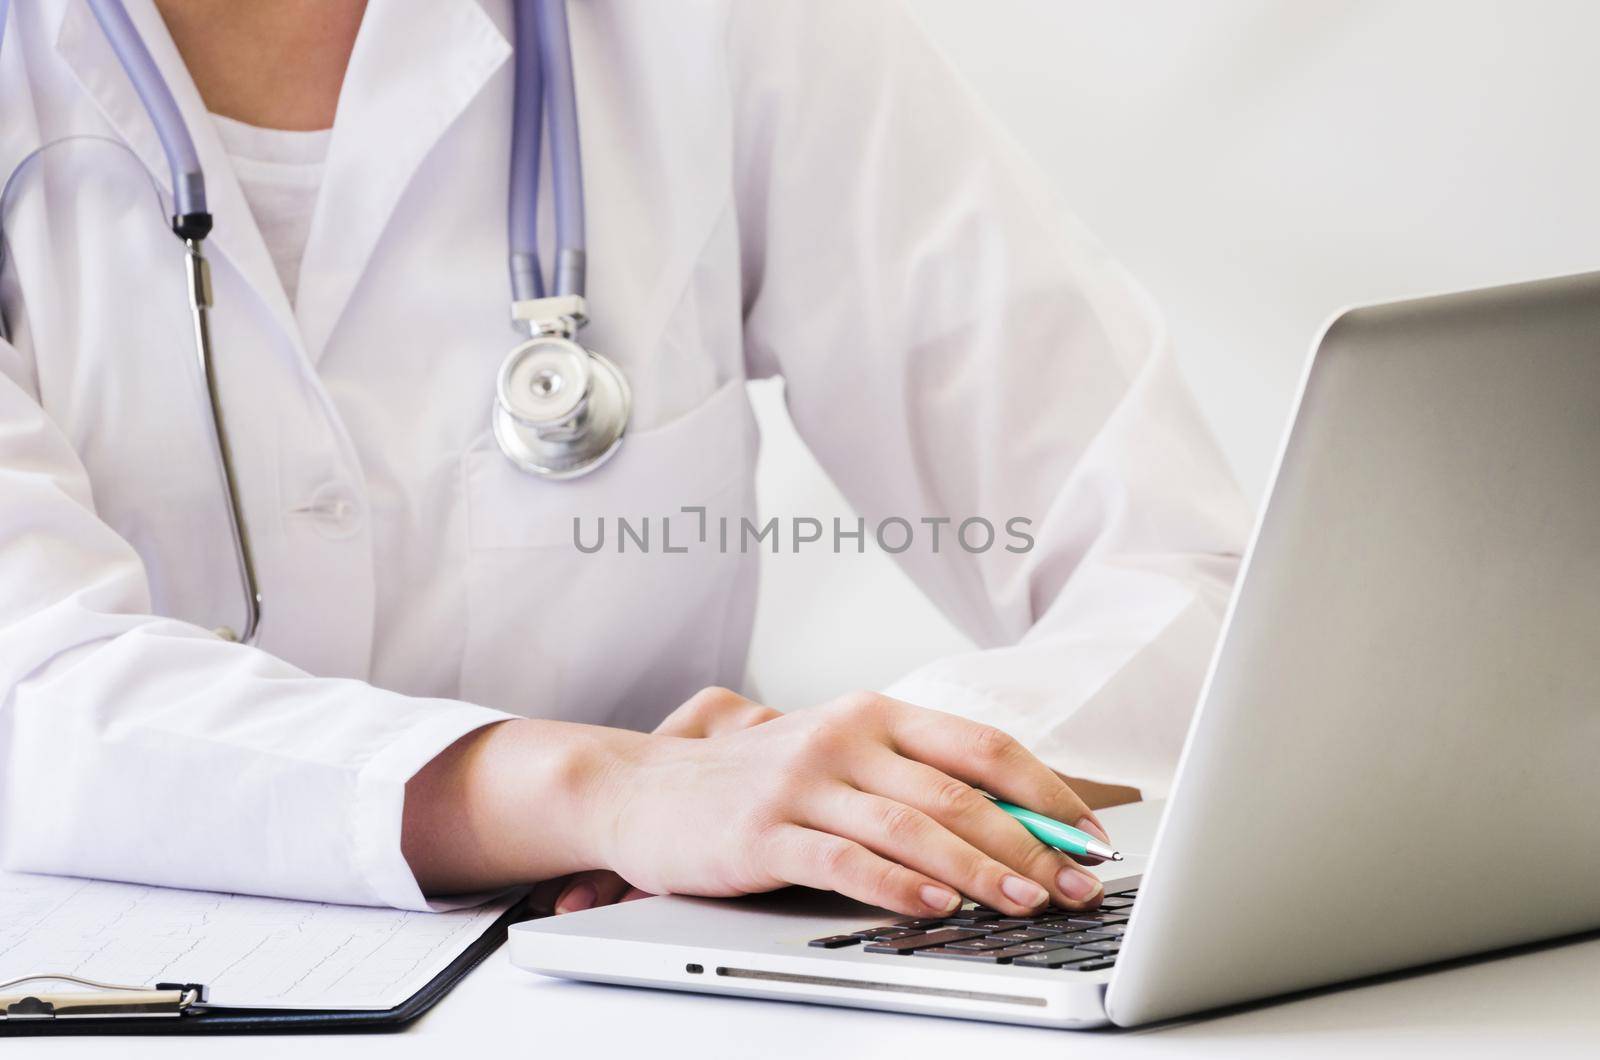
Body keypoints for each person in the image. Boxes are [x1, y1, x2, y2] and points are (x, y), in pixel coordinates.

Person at [0, 0, 1247, 919]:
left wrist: (852, 803)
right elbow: (29, 698)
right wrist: (603, 790)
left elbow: (1174, 566)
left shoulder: (729, 31)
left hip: (645, 984)